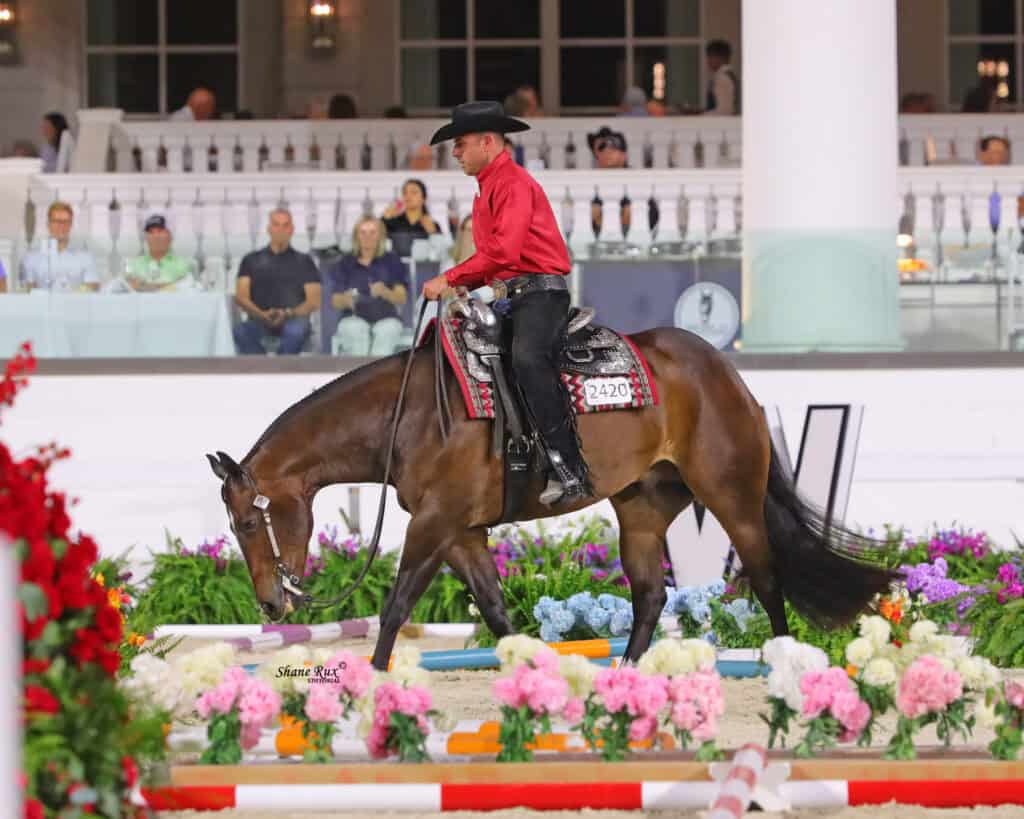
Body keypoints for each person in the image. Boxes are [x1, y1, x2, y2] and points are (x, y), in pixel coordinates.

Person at [422, 101, 589, 506]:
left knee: (529, 358)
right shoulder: (488, 191)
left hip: (540, 293)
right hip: (513, 295)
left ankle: (568, 466)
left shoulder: (511, 184)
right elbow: (496, 259)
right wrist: (462, 284)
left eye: (460, 144)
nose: (456, 153)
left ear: (487, 141)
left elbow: (505, 252)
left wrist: (451, 277)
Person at [233, 208, 321, 355]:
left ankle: (284, 371)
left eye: (285, 225)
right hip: (258, 319)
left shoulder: (305, 261)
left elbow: (314, 301)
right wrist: (262, 315)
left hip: (294, 319)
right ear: (269, 229)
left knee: (295, 332)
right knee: (241, 331)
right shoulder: (250, 260)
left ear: (291, 230)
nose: (280, 229)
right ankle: (261, 371)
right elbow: (241, 298)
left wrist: (287, 313)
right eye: (276, 224)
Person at [327, 216, 408, 356]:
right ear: (356, 236)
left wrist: (385, 292)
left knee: (386, 331)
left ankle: (377, 376)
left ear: (380, 236)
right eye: (363, 232)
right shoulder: (345, 263)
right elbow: (335, 301)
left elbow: (401, 298)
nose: (367, 237)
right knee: (356, 331)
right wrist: (346, 299)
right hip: (354, 317)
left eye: (372, 232)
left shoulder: (392, 261)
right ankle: (361, 376)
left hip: (386, 317)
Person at [19, 202, 98, 292]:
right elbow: (27, 290)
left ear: (71, 224)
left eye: (65, 221)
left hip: (76, 305)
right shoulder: (31, 257)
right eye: (56, 221)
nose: (61, 226)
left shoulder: (85, 256)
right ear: (48, 224)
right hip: (41, 305)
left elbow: (92, 286)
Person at [126, 215, 194, 291]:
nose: (155, 236)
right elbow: (129, 286)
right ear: (146, 238)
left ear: (170, 236)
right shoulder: (134, 264)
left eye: (160, 231)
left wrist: (144, 286)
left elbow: (183, 287)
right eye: (151, 232)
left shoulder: (182, 264)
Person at [382, 179, 440, 256]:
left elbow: (440, 252)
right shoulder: (392, 223)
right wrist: (383, 220)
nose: (408, 196)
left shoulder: (431, 225)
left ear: (424, 199)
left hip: (423, 267)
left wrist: (433, 233)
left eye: (414, 192)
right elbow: (376, 242)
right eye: (405, 193)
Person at [704, 39, 739, 115]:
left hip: (721, 125)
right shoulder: (729, 75)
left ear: (720, 58)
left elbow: (724, 110)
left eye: (710, 57)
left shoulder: (722, 78)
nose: (707, 61)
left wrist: (700, 117)